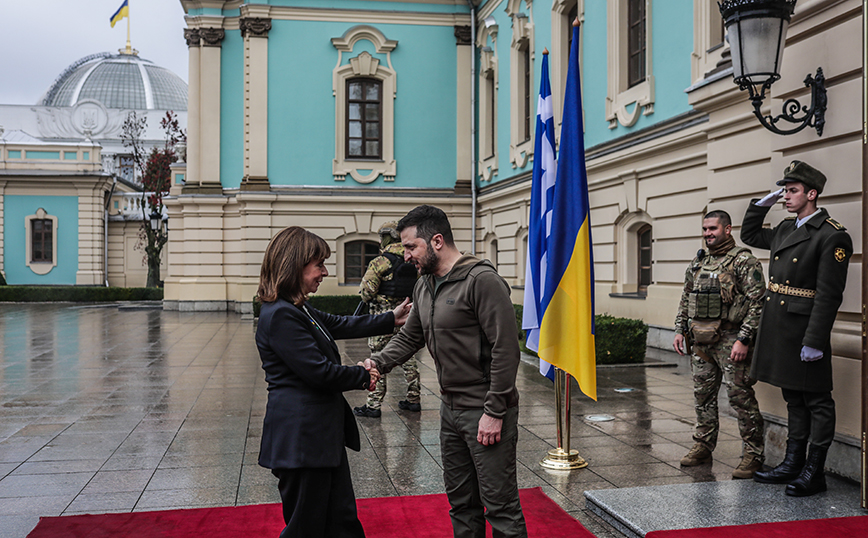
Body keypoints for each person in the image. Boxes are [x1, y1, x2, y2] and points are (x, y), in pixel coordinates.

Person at [366, 205, 527, 538]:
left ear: (437, 240)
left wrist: (494, 410)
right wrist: (377, 363)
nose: (405, 254)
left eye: (411, 246)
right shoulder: (425, 284)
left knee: (500, 507)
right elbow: (411, 336)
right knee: (461, 503)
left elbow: (506, 349)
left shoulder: (482, 280)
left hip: (484, 408)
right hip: (450, 409)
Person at [255, 226, 411, 537]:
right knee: (308, 527)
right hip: (302, 442)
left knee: (341, 522)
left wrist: (388, 318)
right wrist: (364, 374)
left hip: (317, 438)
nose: (325, 272)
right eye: (319, 265)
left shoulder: (296, 307)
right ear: (294, 266)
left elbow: (336, 324)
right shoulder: (281, 315)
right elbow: (320, 373)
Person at [741, 160, 852, 497]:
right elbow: (749, 234)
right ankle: (792, 462)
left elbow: (830, 294)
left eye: (791, 191)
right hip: (780, 326)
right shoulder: (787, 229)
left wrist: (816, 340)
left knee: (817, 401)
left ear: (812, 193)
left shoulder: (833, 235)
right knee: (794, 397)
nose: (785, 196)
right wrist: (763, 205)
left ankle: (814, 471)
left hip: (805, 330)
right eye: (784, 190)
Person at [673, 210, 766, 479]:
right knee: (702, 397)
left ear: (727, 229)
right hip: (701, 341)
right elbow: (686, 297)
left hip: (731, 340)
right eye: (704, 229)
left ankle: (753, 453)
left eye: (712, 228)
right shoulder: (698, 263)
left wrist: (744, 339)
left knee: (740, 397)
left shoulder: (744, 262)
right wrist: (680, 329)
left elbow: (757, 302)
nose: (707, 234)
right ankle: (703, 445)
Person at [353, 221, 421, 418]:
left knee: (377, 359)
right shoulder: (412, 260)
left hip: (383, 318)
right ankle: (413, 399)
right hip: (408, 315)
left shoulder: (380, 262)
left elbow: (366, 293)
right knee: (408, 355)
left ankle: (373, 405)